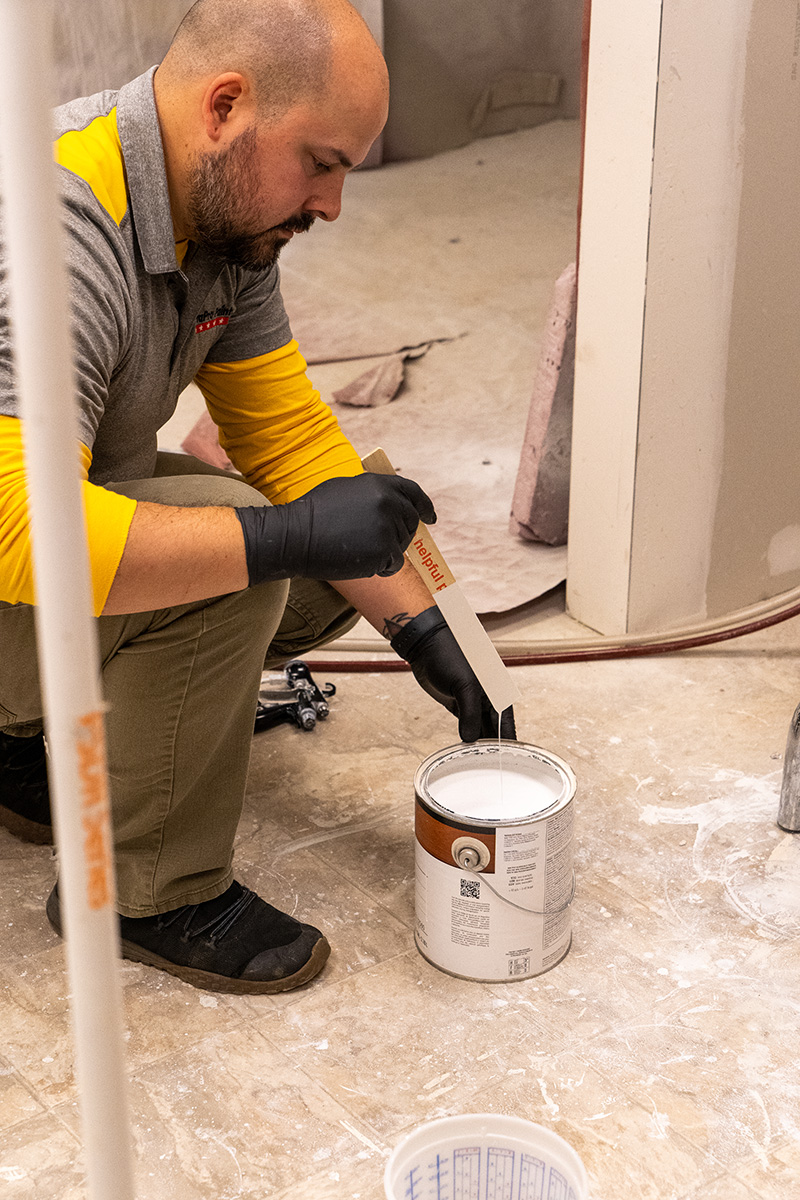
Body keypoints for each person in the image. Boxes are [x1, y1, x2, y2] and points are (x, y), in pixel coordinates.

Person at [0, 0, 514, 994]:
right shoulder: (57, 226)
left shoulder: (226, 225)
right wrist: (273, 539)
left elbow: (286, 437)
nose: (329, 205)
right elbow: (24, 535)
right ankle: (144, 894)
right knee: (239, 565)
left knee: (338, 530)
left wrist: (428, 632)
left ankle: (20, 745)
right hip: (10, 545)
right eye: (320, 162)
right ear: (224, 105)